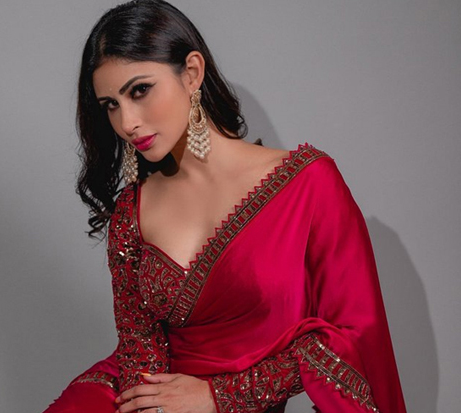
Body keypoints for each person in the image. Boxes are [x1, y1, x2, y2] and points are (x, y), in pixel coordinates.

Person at [43, 1, 407, 412]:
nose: (127, 122)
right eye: (110, 104)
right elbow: (138, 350)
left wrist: (218, 397)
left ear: (192, 73)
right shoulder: (132, 210)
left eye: (139, 91)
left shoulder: (308, 185)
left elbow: (354, 333)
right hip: (135, 397)